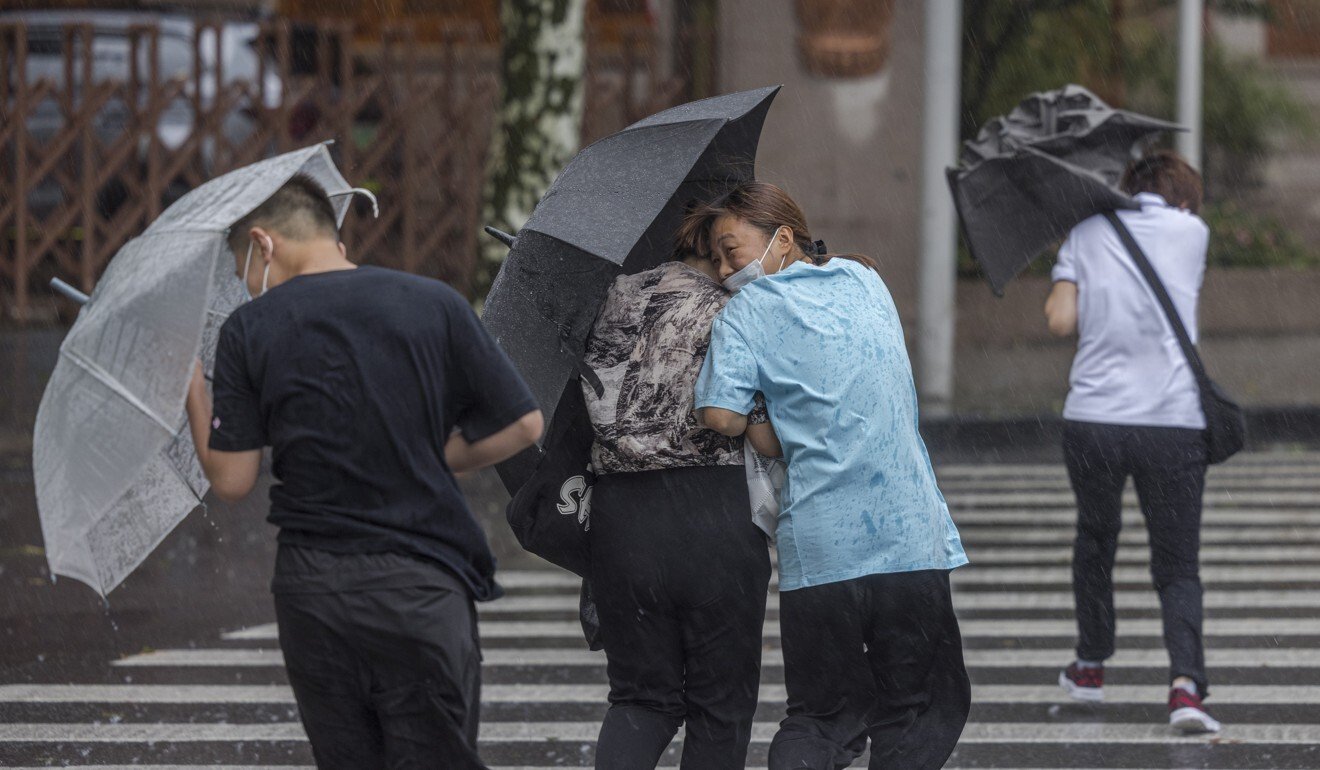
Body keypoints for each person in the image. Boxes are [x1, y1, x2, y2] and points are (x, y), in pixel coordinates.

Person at [183, 174, 543, 769]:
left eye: (240, 267)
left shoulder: (250, 328)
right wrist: (441, 456)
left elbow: (231, 480)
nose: (245, 283)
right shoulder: (435, 303)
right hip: (420, 587)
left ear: (261, 243)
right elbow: (524, 425)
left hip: (314, 592)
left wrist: (194, 392)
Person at [689, 182, 971, 770]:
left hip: (819, 552)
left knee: (822, 717)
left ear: (782, 239)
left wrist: (763, 415)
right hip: (908, 539)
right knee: (917, 708)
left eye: (730, 251)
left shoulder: (744, 312)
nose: (721, 271)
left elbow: (719, 415)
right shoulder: (868, 282)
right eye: (715, 258)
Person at [580, 241, 776, 769]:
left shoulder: (607, 299)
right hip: (713, 512)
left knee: (641, 700)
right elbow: (759, 432)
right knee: (720, 706)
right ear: (714, 242)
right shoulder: (736, 310)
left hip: (621, 517)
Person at [1045, 150, 1220, 733]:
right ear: (1181, 194)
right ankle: (1185, 687)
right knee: (1177, 561)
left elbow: (1060, 322)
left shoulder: (1085, 231)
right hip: (1172, 423)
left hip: (1094, 419)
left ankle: (1091, 666)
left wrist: (1068, 264)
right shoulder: (1192, 232)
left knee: (1096, 538)